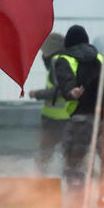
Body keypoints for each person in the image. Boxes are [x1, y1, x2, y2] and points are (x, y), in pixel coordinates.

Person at [52, 26, 103, 202]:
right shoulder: (99, 57)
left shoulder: (64, 58)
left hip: (79, 119)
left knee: (73, 165)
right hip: (101, 119)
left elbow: (65, 81)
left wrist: (71, 92)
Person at [28, 32, 68, 171]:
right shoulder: (66, 61)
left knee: (43, 157)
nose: (42, 55)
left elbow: (60, 89)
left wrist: (37, 94)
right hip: (67, 118)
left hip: (54, 120)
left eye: (43, 51)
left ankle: (39, 184)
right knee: (71, 157)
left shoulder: (57, 62)